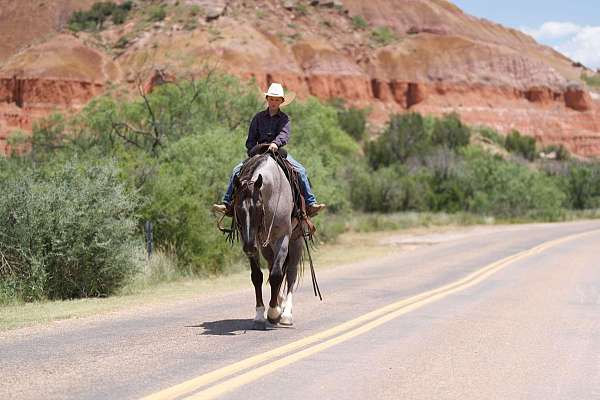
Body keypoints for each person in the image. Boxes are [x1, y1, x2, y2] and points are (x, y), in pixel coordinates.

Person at [213, 83, 326, 217]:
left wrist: (275, 144)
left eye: (277, 99)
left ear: (281, 102)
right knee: (236, 170)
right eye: (271, 99)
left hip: (277, 152)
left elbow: (284, 135)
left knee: (300, 171)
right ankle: (227, 204)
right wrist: (254, 150)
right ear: (267, 99)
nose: (273, 102)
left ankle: (310, 204)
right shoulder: (258, 118)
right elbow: (250, 139)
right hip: (258, 153)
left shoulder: (284, 119)